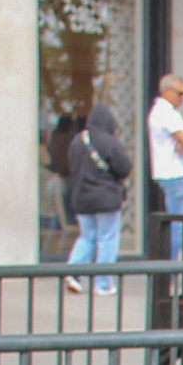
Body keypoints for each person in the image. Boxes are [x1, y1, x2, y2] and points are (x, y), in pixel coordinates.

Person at [64, 103, 131, 296]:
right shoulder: (109, 141)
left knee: (87, 236)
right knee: (107, 238)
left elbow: (71, 167)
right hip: (105, 198)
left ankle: (73, 273)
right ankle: (102, 283)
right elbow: (124, 168)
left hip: (81, 198)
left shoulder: (77, 141)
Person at [147, 73, 183, 258]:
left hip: (172, 174)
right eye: (180, 93)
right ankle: (173, 271)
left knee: (177, 225)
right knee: (177, 226)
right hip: (174, 175)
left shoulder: (168, 112)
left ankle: (173, 270)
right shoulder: (165, 112)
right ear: (167, 91)